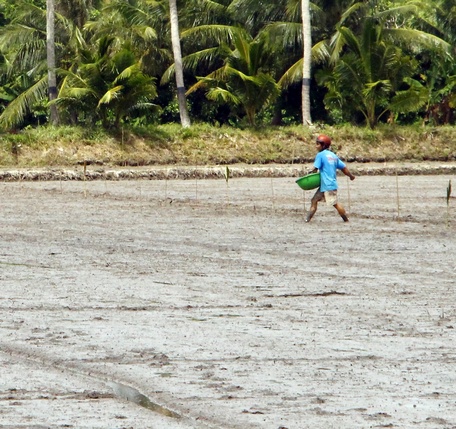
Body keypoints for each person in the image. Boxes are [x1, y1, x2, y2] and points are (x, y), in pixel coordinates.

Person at [306, 134, 355, 222]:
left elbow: (315, 168)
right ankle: (307, 220)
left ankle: (346, 220)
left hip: (328, 185)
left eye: (317, 144)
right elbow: (344, 168)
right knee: (314, 200)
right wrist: (351, 176)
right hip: (326, 184)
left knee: (334, 203)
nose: (316, 146)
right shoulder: (333, 156)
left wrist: (308, 174)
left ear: (323, 145)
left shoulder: (320, 155)